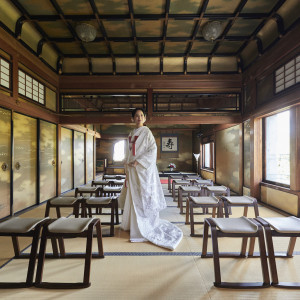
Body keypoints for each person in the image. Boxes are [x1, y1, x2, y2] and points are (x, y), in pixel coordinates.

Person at [118, 108, 183, 250]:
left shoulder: (147, 132)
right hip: (132, 170)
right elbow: (129, 151)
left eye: (141, 115)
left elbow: (152, 150)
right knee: (133, 196)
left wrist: (139, 162)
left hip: (143, 170)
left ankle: (146, 224)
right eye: (136, 116)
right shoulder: (131, 134)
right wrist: (127, 160)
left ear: (145, 118)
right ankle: (132, 225)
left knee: (144, 195)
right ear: (132, 118)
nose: (139, 117)